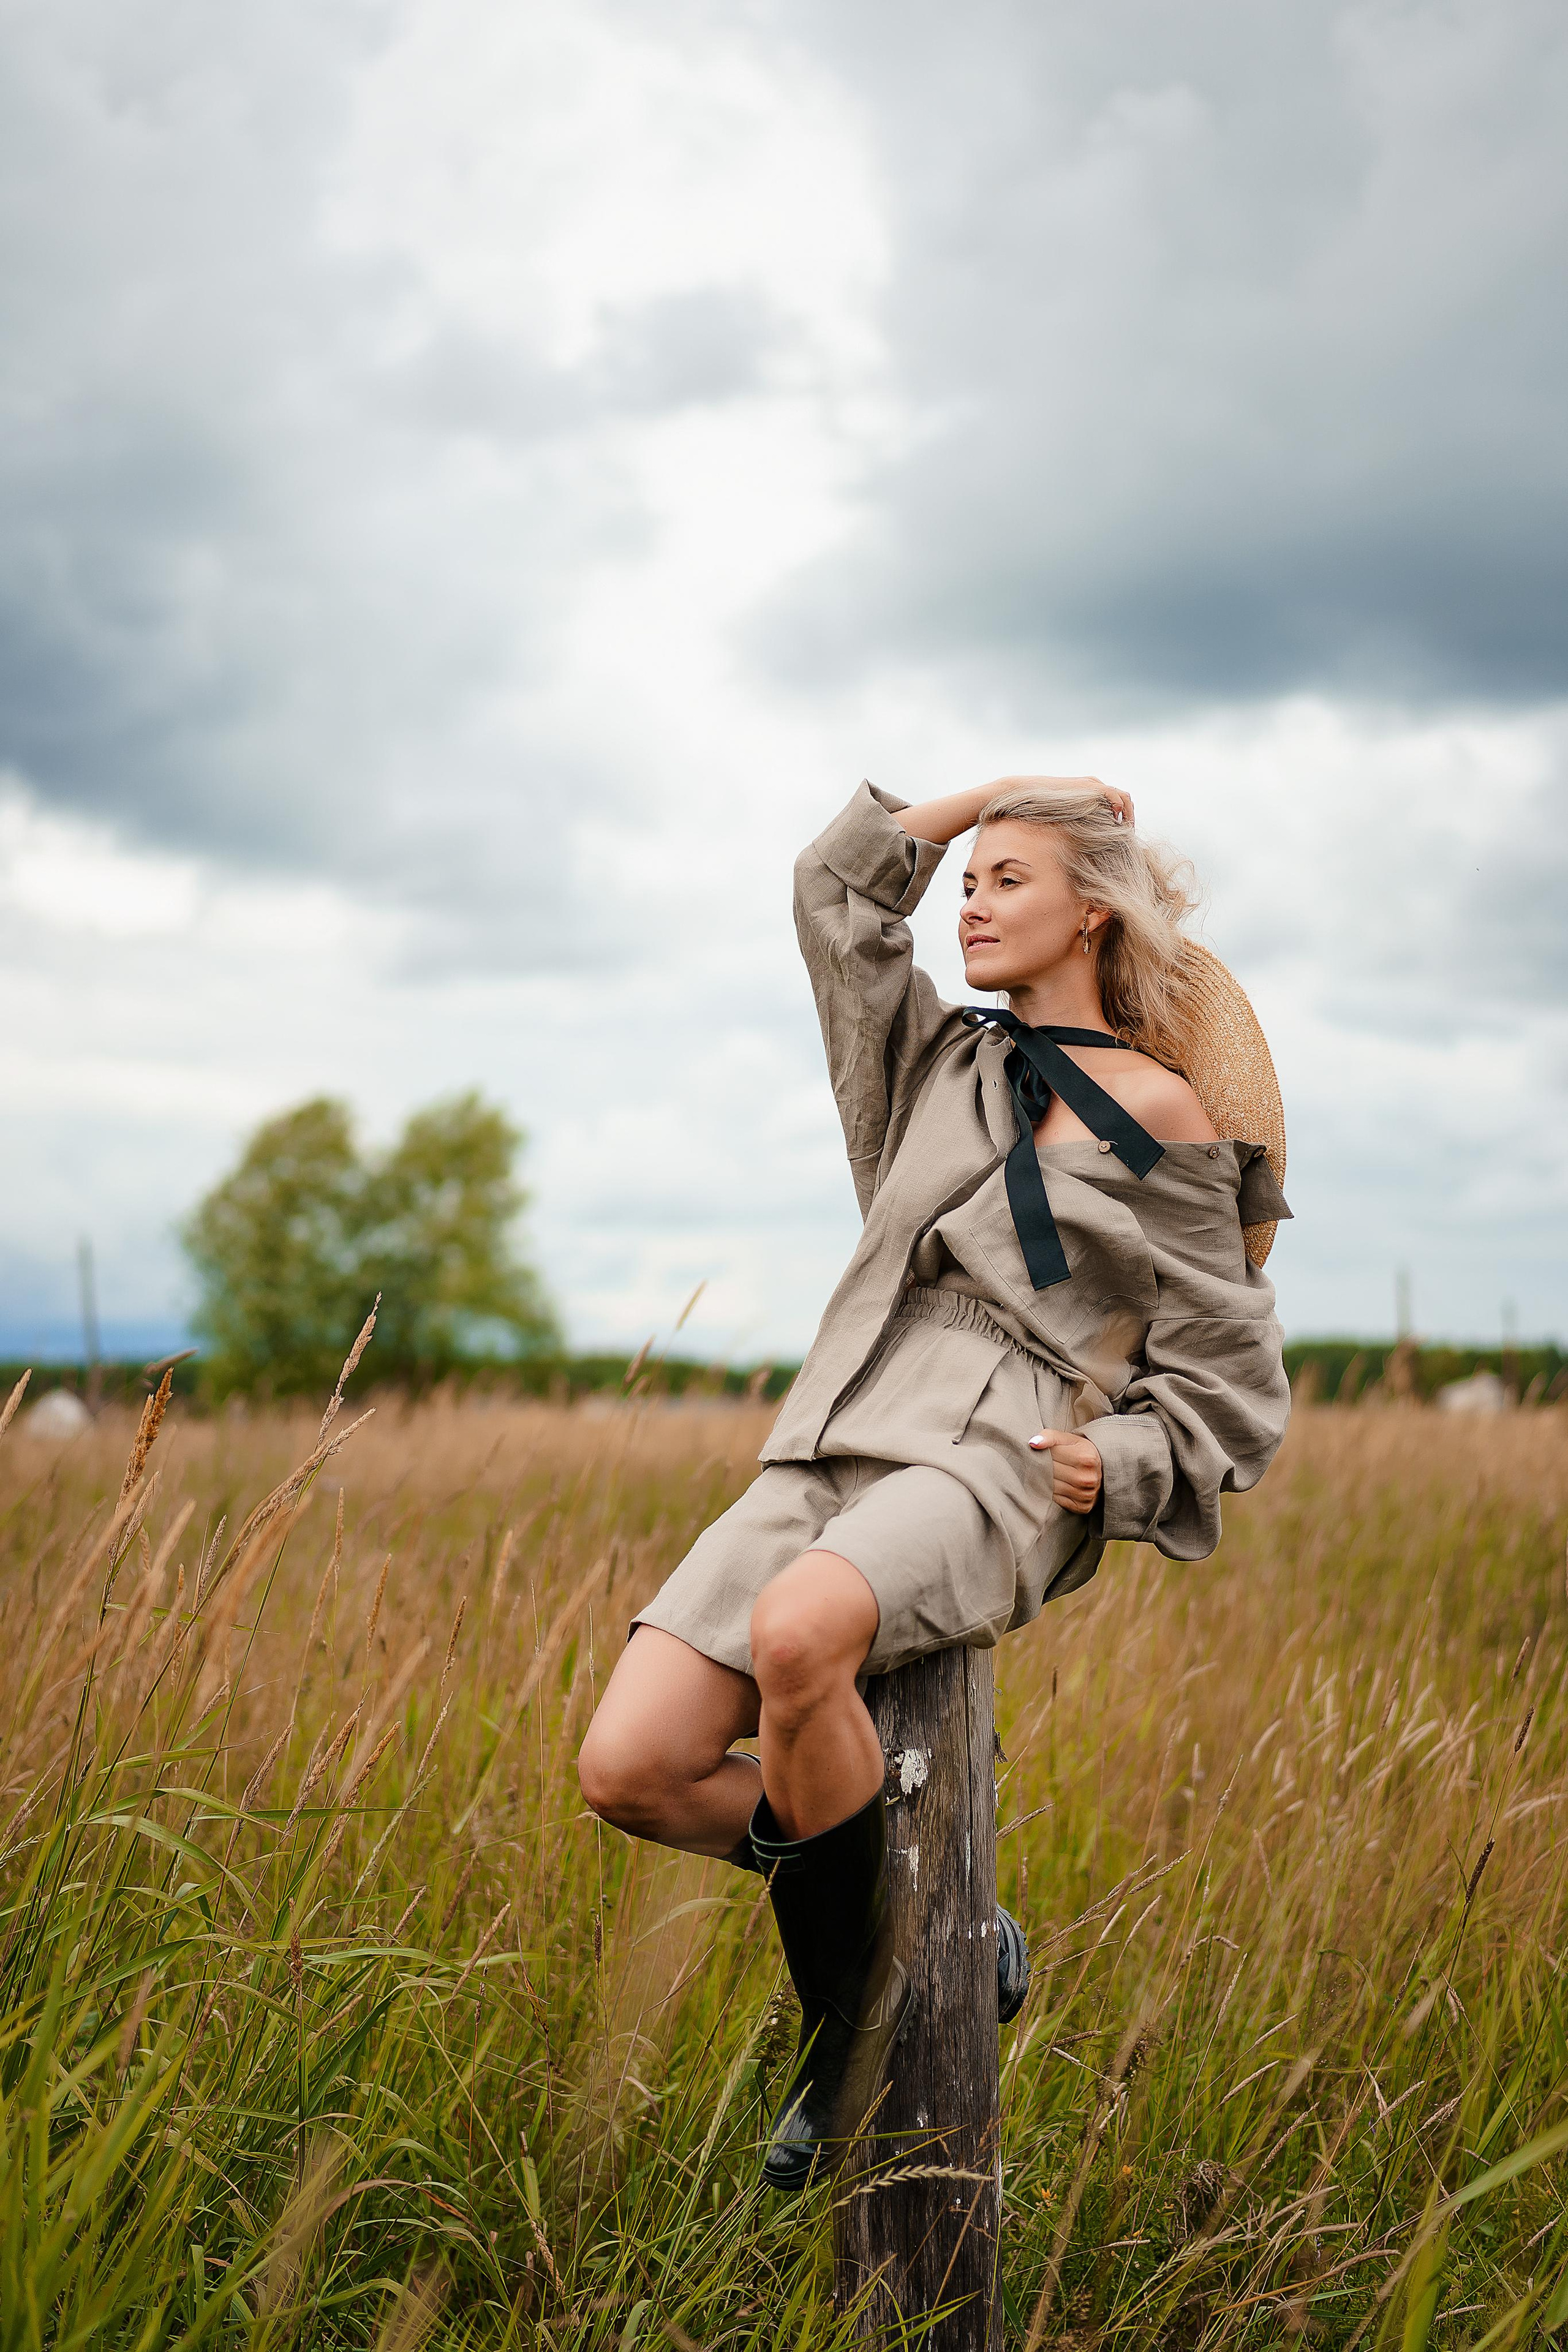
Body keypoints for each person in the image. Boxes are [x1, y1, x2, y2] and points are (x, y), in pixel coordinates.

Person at [579, 774, 1292, 2192]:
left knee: (797, 1633)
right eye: (965, 880)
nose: (969, 900)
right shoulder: (924, 1066)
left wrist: (1127, 1460)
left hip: (1002, 1452)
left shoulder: (1168, 1119)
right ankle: (939, 1919)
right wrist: (989, 798)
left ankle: (844, 2038)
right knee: (631, 1770)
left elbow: (1232, 1377)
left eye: (1006, 878)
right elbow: (835, 897)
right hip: (830, 1433)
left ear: (1092, 912)